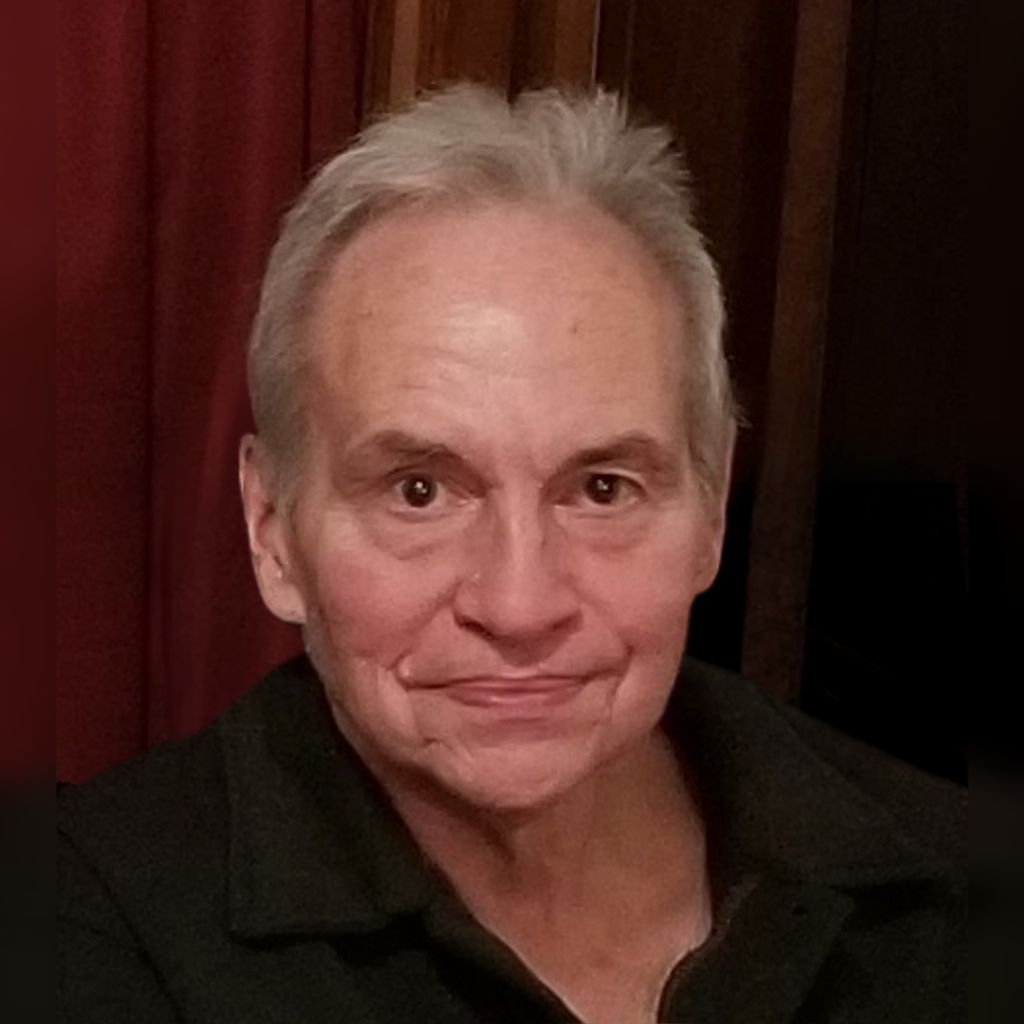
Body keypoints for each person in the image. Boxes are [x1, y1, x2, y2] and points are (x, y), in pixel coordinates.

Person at [58, 85, 965, 1023]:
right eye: (420, 491)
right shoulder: (78, 934)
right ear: (271, 529)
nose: (520, 605)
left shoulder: (957, 898)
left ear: (710, 508)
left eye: (601, 488)